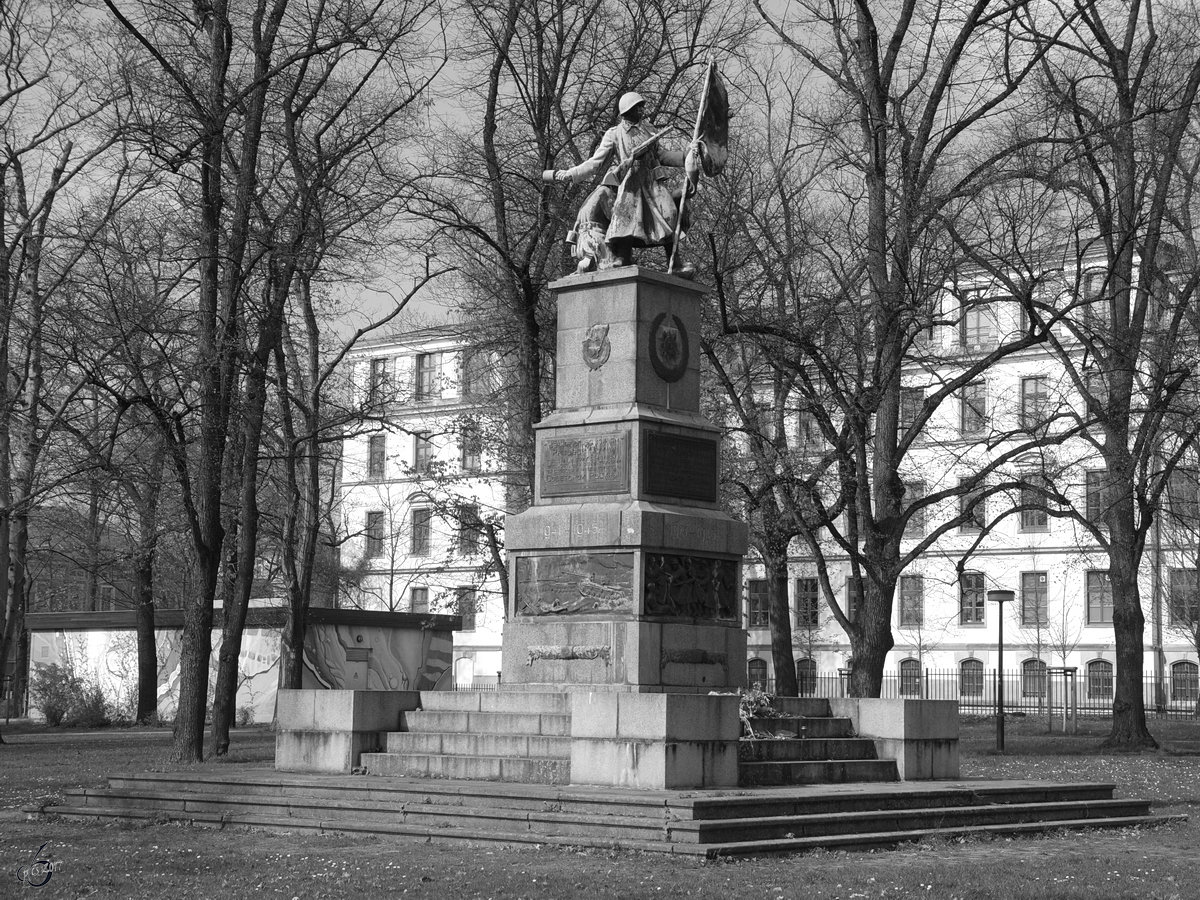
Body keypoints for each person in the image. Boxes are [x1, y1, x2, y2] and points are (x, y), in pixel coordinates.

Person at [548, 92, 698, 276]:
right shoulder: (614, 134)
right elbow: (595, 163)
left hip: (652, 183)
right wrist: (571, 173)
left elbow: (662, 155)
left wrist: (686, 155)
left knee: (669, 215)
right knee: (626, 219)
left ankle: (674, 263)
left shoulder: (649, 130)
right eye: (638, 107)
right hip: (630, 185)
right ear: (628, 111)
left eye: (641, 106)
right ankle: (624, 258)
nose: (642, 110)